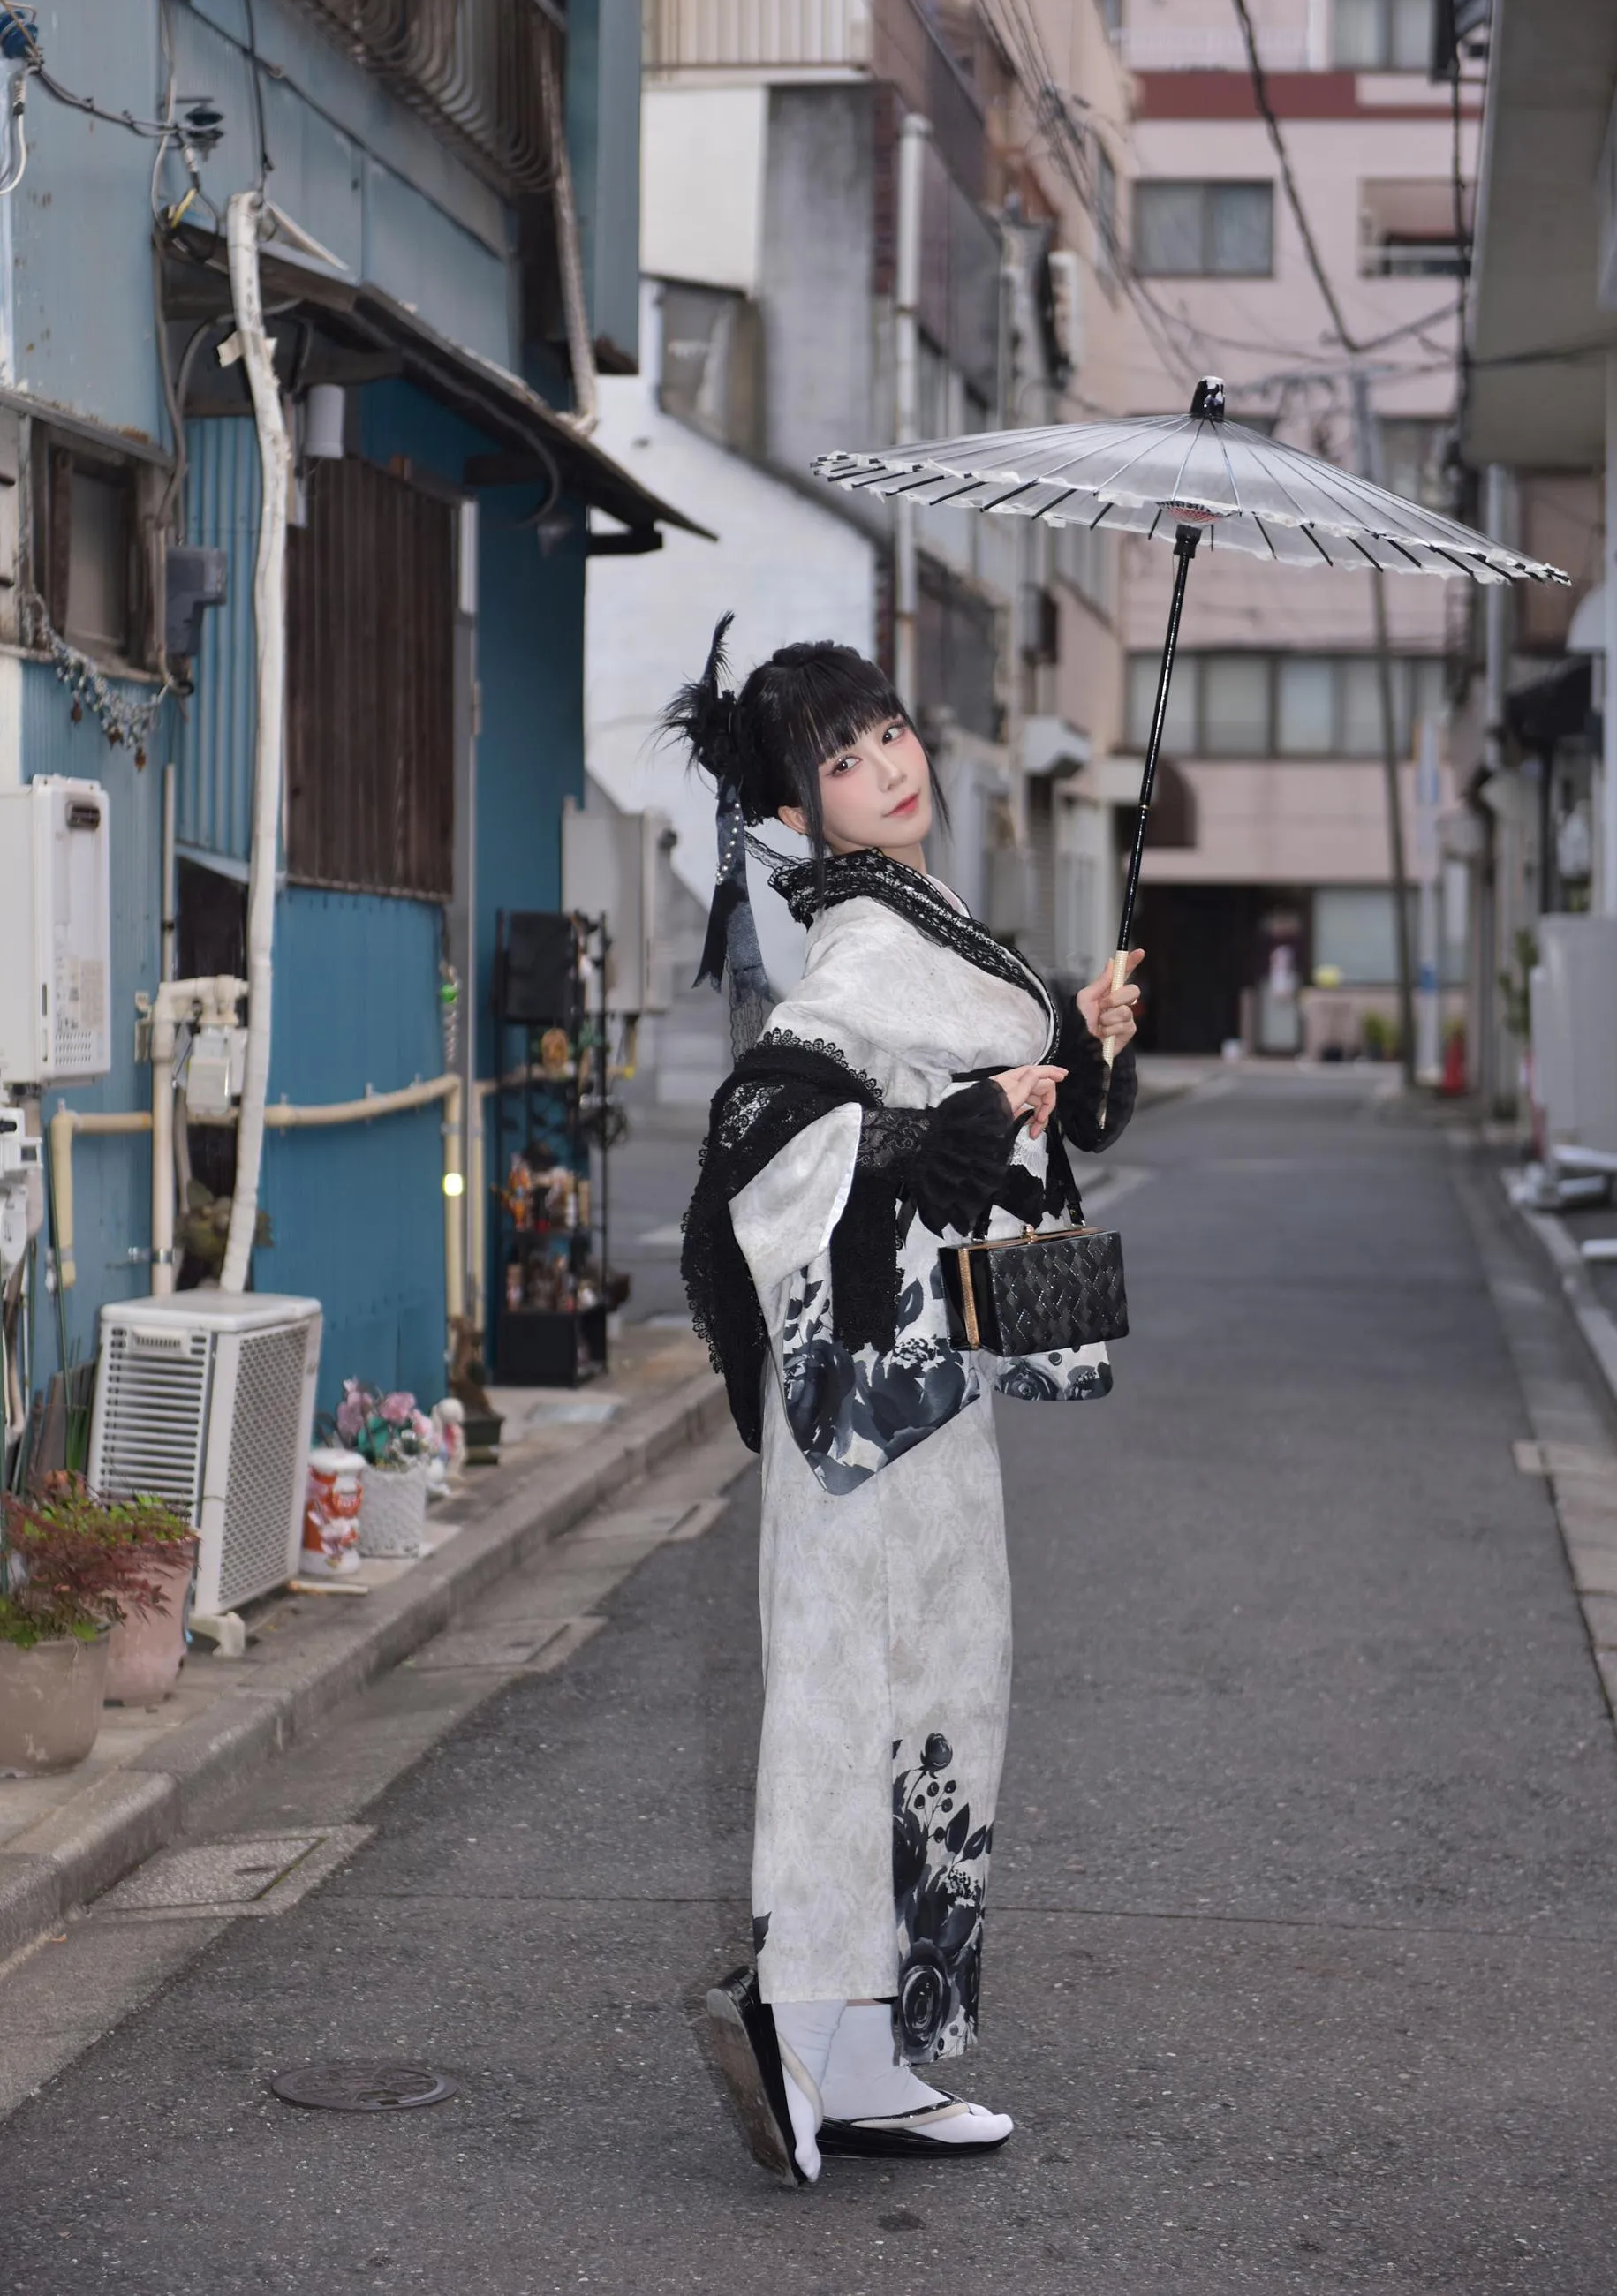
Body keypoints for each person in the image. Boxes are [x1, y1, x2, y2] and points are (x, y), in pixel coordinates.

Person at [666, 619, 1141, 2184]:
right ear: (797, 811)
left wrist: (1072, 1042)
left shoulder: (910, 917)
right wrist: (949, 1125)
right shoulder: (864, 943)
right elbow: (765, 1130)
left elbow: (978, 1102)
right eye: (845, 758)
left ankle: (858, 2055)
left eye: (887, 733)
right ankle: (805, 2027)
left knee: (925, 1693)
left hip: (915, 1396)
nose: (888, 765)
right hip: (867, 1410)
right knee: (859, 1696)